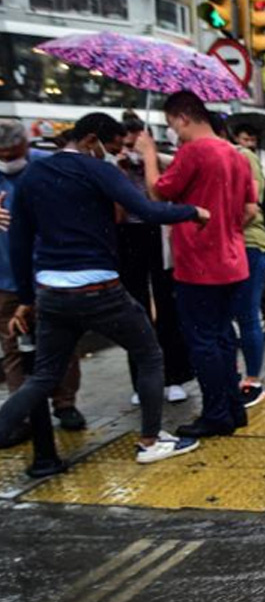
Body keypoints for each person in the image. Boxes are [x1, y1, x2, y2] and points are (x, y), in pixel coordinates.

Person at [4, 113, 209, 463]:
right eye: (110, 147)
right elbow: (146, 209)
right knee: (149, 353)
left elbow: (20, 242)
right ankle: (150, 441)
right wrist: (192, 212)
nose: (112, 155)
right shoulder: (97, 170)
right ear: (90, 140)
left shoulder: (34, 174)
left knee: (42, 376)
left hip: (50, 291)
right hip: (99, 287)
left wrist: (26, 299)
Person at [138, 91, 256, 438]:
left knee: (202, 340)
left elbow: (157, 194)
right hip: (233, 260)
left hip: (198, 263)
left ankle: (217, 413)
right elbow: (251, 210)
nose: (173, 131)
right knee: (222, 337)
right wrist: (227, 228)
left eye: (171, 124)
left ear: (182, 118)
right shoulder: (235, 154)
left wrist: (147, 154)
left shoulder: (194, 152)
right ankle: (233, 408)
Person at [0, 118, 84, 443]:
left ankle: (65, 404)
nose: (8, 159)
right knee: (13, 346)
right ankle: (23, 413)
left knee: (64, 340)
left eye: (13, 152)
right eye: (2, 154)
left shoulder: (48, 166)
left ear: (26, 145)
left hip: (52, 272)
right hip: (6, 277)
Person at [115, 116, 193, 408]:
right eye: (125, 142)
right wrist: (120, 169)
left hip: (160, 233)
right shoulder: (113, 166)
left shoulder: (160, 158)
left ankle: (175, 378)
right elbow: (118, 210)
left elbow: (159, 194)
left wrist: (149, 157)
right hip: (128, 235)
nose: (130, 146)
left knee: (169, 307)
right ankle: (141, 381)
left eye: (135, 139)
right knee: (134, 309)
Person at [225, 123, 265, 406]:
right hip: (225, 247)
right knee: (225, 317)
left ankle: (253, 381)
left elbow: (252, 204)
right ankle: (230, 376)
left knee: (246, 315)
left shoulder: (244, 157)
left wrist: (223, 231)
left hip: (250, 244)